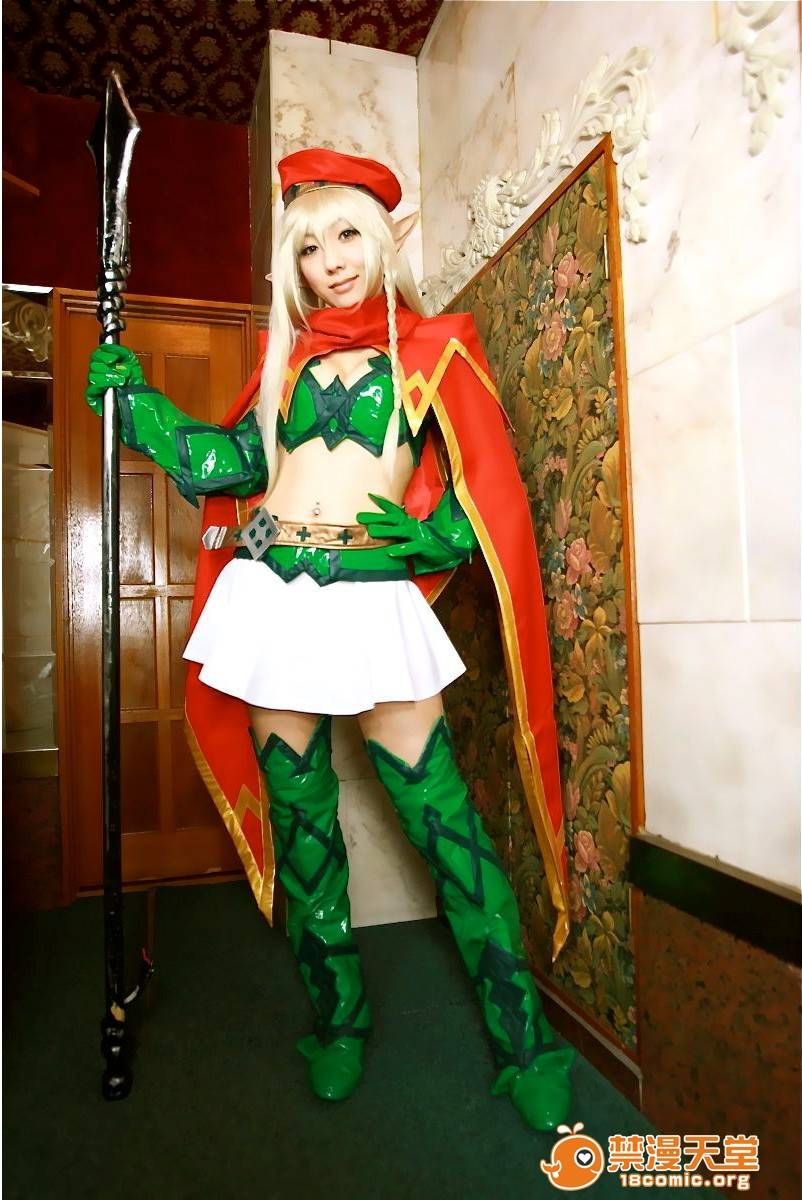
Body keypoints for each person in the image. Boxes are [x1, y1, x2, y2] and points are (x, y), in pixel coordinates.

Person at [85, 148, 575, 1131]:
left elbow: (486, 484)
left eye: (347, 234)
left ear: (386, 237)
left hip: (372, 603)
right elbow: (228, 466)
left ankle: (525, 1043)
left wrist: (438, 535)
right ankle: (339, 1023)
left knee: (444, 826)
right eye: (308, 247)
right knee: (304, 825)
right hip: (273, 595)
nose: (330, 260)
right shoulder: (286, 362)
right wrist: (136, 406)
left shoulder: (436, 348)